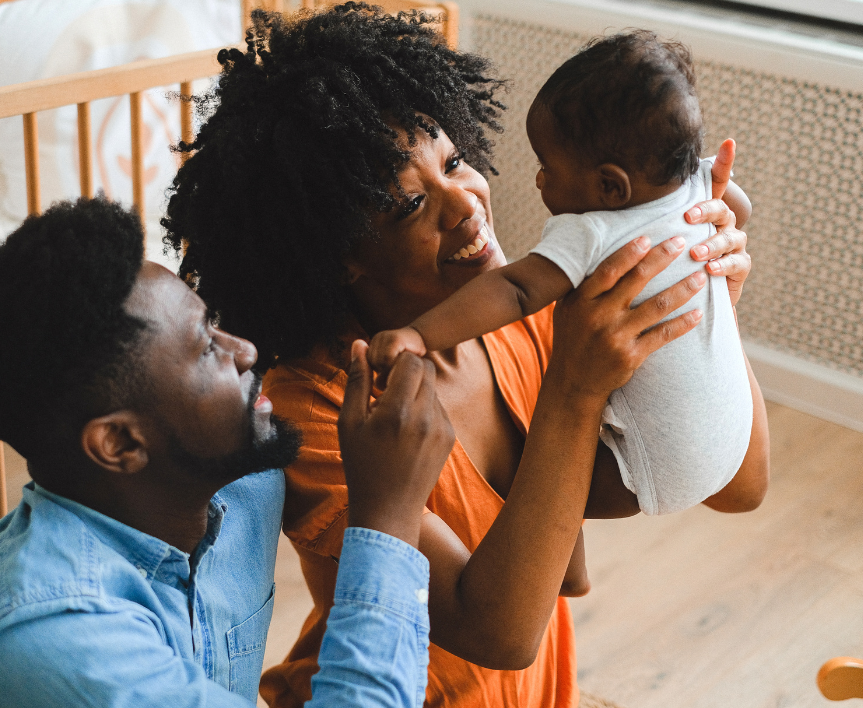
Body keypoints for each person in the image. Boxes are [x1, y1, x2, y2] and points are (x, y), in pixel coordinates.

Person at [163, 6, 769, 707]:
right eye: (410, 206)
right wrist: (573, 391)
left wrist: (708, 304)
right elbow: (501, 632)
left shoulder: (517, 318)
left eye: (454, 162)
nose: (467, 202)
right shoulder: (316, 412)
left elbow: (738, 487)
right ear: (339, 260)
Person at [0, 197, 456, 708]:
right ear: (120, 443)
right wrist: (388, 517)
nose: (245, 351)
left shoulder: (237, 485)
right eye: (207, 348)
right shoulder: (52, 635)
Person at [367, 31, 762, 518]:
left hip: (654, 466)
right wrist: (717, 219)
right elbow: (738, 207)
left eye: (547, 166)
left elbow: (515, 290)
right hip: (730, 431)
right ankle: (567, 567)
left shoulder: (592, 232)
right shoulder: (697, 183)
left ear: (609, 187)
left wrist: (415, 335)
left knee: (546, 491)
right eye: (412, 202)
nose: (538, 179)